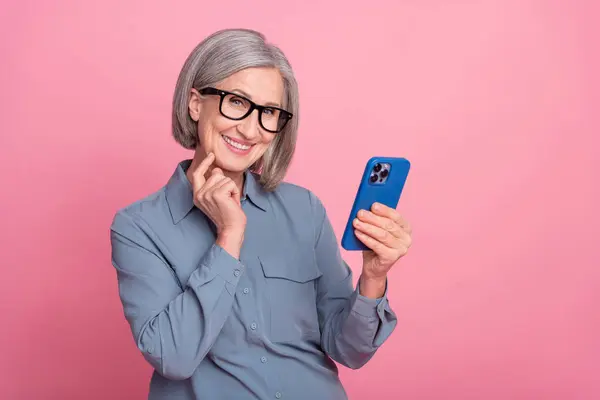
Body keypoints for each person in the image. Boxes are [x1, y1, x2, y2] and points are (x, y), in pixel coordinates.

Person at [110, 28, 413, 400]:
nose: (251, 129)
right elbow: (174, 357)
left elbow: (348, 350)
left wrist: (373, 277)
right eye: (236, 102)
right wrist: (229, 237)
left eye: (269, 112)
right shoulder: (138, 227)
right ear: (194, 103)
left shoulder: (304, 210)